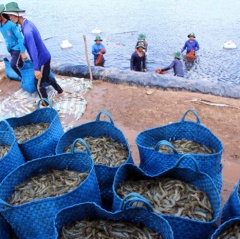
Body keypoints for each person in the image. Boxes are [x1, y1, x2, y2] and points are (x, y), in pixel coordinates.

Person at [3, 2, 64, 106]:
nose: (10, 18)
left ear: (17, 14)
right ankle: (60, 91)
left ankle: (45, 104)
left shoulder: (27, 30)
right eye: (9, 16)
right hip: (45, 56)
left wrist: (36, 69)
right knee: (45, 78)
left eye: (12, 16)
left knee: (39, 85)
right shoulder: (26, 24)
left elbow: (33, 50)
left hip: (42, 59)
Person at [0, 4, 27, 77]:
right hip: (10, 48)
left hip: (17, 47)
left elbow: (20, 38)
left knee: (13, 65)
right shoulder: (1, 25)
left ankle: (24, 78)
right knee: (20, 64)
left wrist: (22, 52)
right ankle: (26, 78)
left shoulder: (11, 24)